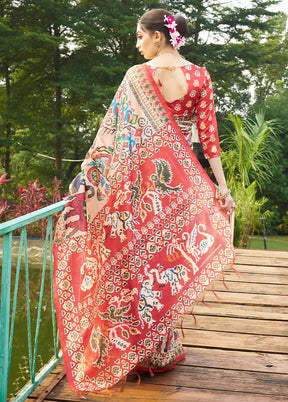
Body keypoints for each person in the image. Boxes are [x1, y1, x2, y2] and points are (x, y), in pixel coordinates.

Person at [53, 8, 235, 395]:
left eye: (140, 36)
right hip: (179, 187)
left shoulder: (137, 77)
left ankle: (128, 350)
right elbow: (209, 141)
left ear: (159, 36)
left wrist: (89, 186)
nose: (137, 44)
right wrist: (222, 188)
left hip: (137, 187)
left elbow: (113, 136)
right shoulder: (200, 76)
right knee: (165, 260)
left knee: (131, 264)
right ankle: (161, 348)